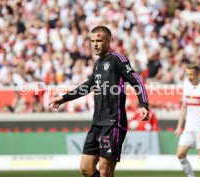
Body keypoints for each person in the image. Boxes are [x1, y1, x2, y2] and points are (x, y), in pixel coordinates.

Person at [49, 26, 149, 177]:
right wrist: (64, 98)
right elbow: (89, 86)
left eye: (99, 41)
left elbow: (137, 81)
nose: (95, 44)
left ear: (108, 41)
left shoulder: (118, 59)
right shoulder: (98, 63)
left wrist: (143, 104)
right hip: (97, 122)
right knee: (86, 168)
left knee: (105, 170)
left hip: (113, 122)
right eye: (92, 41)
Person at [174, 64, 200, 177]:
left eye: (192, 74)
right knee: (180, 154)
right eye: (187, 74)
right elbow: (184, 107)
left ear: (198, 74)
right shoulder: (186, 86)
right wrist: (179, 126)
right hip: (189, 127)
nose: (189, 77)